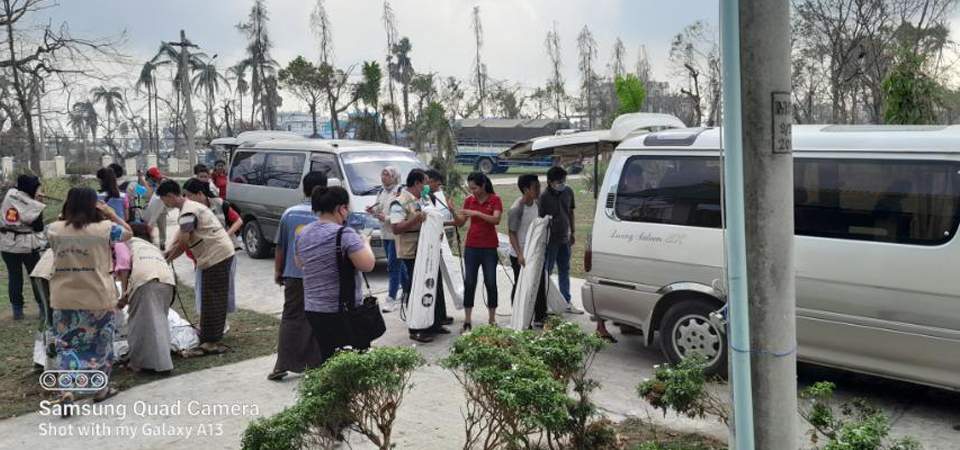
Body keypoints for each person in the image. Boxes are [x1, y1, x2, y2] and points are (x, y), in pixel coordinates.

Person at [47, 187, 133, 413]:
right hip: (98, 298)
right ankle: (100, 390)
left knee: (66, 345)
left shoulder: (54, 229)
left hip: (64, 298)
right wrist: (110, 213)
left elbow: (62, 223)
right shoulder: (106, 229)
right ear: (93, 205)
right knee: (100, 346)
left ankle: (67, 392)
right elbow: (129, 233)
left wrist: (66, 213)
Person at [296, 185, 376, 364]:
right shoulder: (345, 234)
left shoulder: (302, 233)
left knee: (328, 358)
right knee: (353, 361)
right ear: (341, 208)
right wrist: (366, 244)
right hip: (342, 310)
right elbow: (368, 265)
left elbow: (300, 263)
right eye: (347, 208)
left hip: (314, 309)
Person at [158, 179, 235, 354]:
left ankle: (210, 342)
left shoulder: (187, 212)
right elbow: (180, 236)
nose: (164, 203)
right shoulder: (191, 206)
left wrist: (168, 260)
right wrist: (168, 252)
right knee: (213, 296)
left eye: (163, 200)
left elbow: (183, 243)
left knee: (211, 298)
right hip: (220, 253)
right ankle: (210, 336)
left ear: (169, 196)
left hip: (216, 255)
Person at [268, 172, 327, 381]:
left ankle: (282, 364)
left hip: (294, 274)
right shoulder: (327, 214)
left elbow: (281, 246)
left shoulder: (290, 213)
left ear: (303, 188)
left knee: (291, 317)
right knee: (318, 318)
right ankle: (318, 363)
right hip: (322, 277)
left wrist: (278, 270)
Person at [390, 169, 441, 343]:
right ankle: (415, 328)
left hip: (426, 250)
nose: (427, 186)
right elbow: (396, 228)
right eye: (425, 183)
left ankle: (433, 323)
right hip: (411, 251)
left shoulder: (423, 199)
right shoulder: (399, 202)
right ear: (417, 183)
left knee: (431, 286)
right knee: (416, 289)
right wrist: (415, 219)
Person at [116, 224, 176, 373]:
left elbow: (124, 267)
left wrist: (123, 293)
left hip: (145, 281)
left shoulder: (125, 243)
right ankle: (162, 361)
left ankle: (141, 363)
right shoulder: (152, 247)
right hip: (167, 281)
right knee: (160, 322)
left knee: (139, 324)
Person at [457, 172, 503, 333]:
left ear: (483, 185)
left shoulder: (495, 199)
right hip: (471, 246)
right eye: (470, 188)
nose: (472, 192)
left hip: (489, 247)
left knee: (490, 282)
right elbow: (460, 223)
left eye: (474, 188)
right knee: (469, 282)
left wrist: (477, 213)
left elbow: (496, 220)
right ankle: (467, 320)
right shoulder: (469, 200)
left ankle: (492, 319)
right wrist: (452, 211)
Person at [1, 174, 46, 319]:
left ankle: (17, 310)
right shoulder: (34, 206)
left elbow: (17, 189)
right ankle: (43, 308)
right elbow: (38, 227)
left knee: (14, 277)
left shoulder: (10, 194)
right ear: (31, 189)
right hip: (27, 246)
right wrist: (38, 201)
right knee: (36, 277)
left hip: (7, 243)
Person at [539, 166, 583, 314]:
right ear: (550, 182)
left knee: (565, 269)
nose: (563, 183)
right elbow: (540, 220)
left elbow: (571, 212)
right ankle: (547, 302)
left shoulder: (568, 191)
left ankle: (566, 302)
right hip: (550, 240)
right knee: (547, 271)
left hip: (565, 238)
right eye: (559, 181)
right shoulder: (544, 196)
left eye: (564, 180)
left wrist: (573, 232)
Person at [507, 174, 548, 327]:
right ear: (526, 190)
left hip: (534, 252)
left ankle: (540, 316)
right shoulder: (516, 209)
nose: (539, 190)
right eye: (536, 187)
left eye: (539, 187)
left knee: (539, 284)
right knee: (521, 286)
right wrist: (519, 255)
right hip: (520, 254)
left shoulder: (536, 204)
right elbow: (512, 233)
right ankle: (519, 317)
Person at [424, 169, 462, 326]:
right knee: (431, 281)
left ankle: (440, 315)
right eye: (438, 185)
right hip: (426, 245)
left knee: (438, 280)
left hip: (438, 241)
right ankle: (433, 317)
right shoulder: (421, 198)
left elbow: (438, 219)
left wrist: (452, 220)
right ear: (430, 181)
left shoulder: (434, 197)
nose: (439, 188)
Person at [367, 166, 407, 313]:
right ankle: (409, 291)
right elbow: (379, 211)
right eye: (382, 175)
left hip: (396, 234)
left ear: (395, 177)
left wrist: (387, 218)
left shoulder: (401, 191)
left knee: (393, 267)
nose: (383, 178)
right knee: (399, 266)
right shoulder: (381, 192)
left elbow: (404, 214)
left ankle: (391, 299)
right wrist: (373, 211)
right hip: (385, 234)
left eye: (387, 175)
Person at [141, 167, 168, 249]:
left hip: (161, 209)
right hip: (149, 208)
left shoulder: (162, 181)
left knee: (162, 228)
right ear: (150, 176)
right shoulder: (144, 183)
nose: (157, 178)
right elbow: (143, 195)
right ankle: (149, 242)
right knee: (148, 227)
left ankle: (162, 244)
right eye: (155, 177)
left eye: (157, 176)